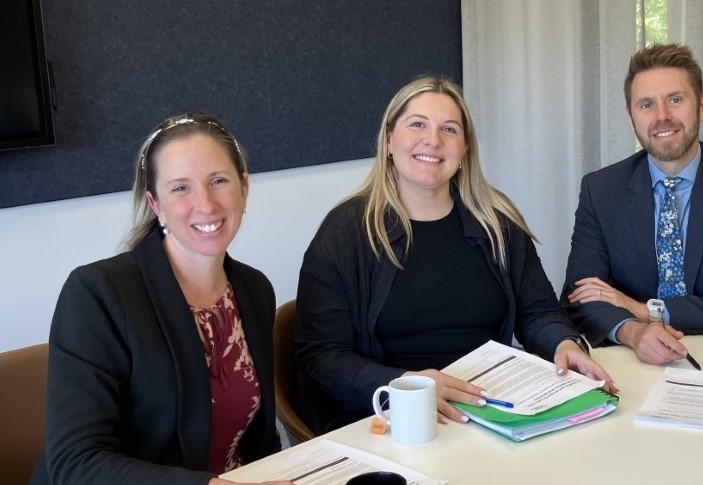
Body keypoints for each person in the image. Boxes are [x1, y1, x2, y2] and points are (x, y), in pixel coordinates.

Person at [294, 76, 617, 435]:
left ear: (464, 149)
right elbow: (321, 356)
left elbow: (538, 310)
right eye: (417, 124)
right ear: (389, 140)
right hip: (395, 421)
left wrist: (563, 342)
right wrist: (408, 387)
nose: (433, 140)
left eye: (449, 129)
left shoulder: (497, 222)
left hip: (487, 409)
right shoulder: (345, 232)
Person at [31, 114, 291, 485]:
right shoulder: (97, 294)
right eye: (180, 188)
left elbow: (259, 441)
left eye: (218, 181)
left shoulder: (253, 289)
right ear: (156, 205)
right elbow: (77, 463)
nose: (205, 203)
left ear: (244, 188)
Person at [562, 44, 703, 366]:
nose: (662, 116)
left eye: (676, 99)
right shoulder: (601, 189)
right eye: (646, 105)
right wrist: (632, 330)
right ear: (631, 117)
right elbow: (579, 296)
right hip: (636, 360)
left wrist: (647, 310)